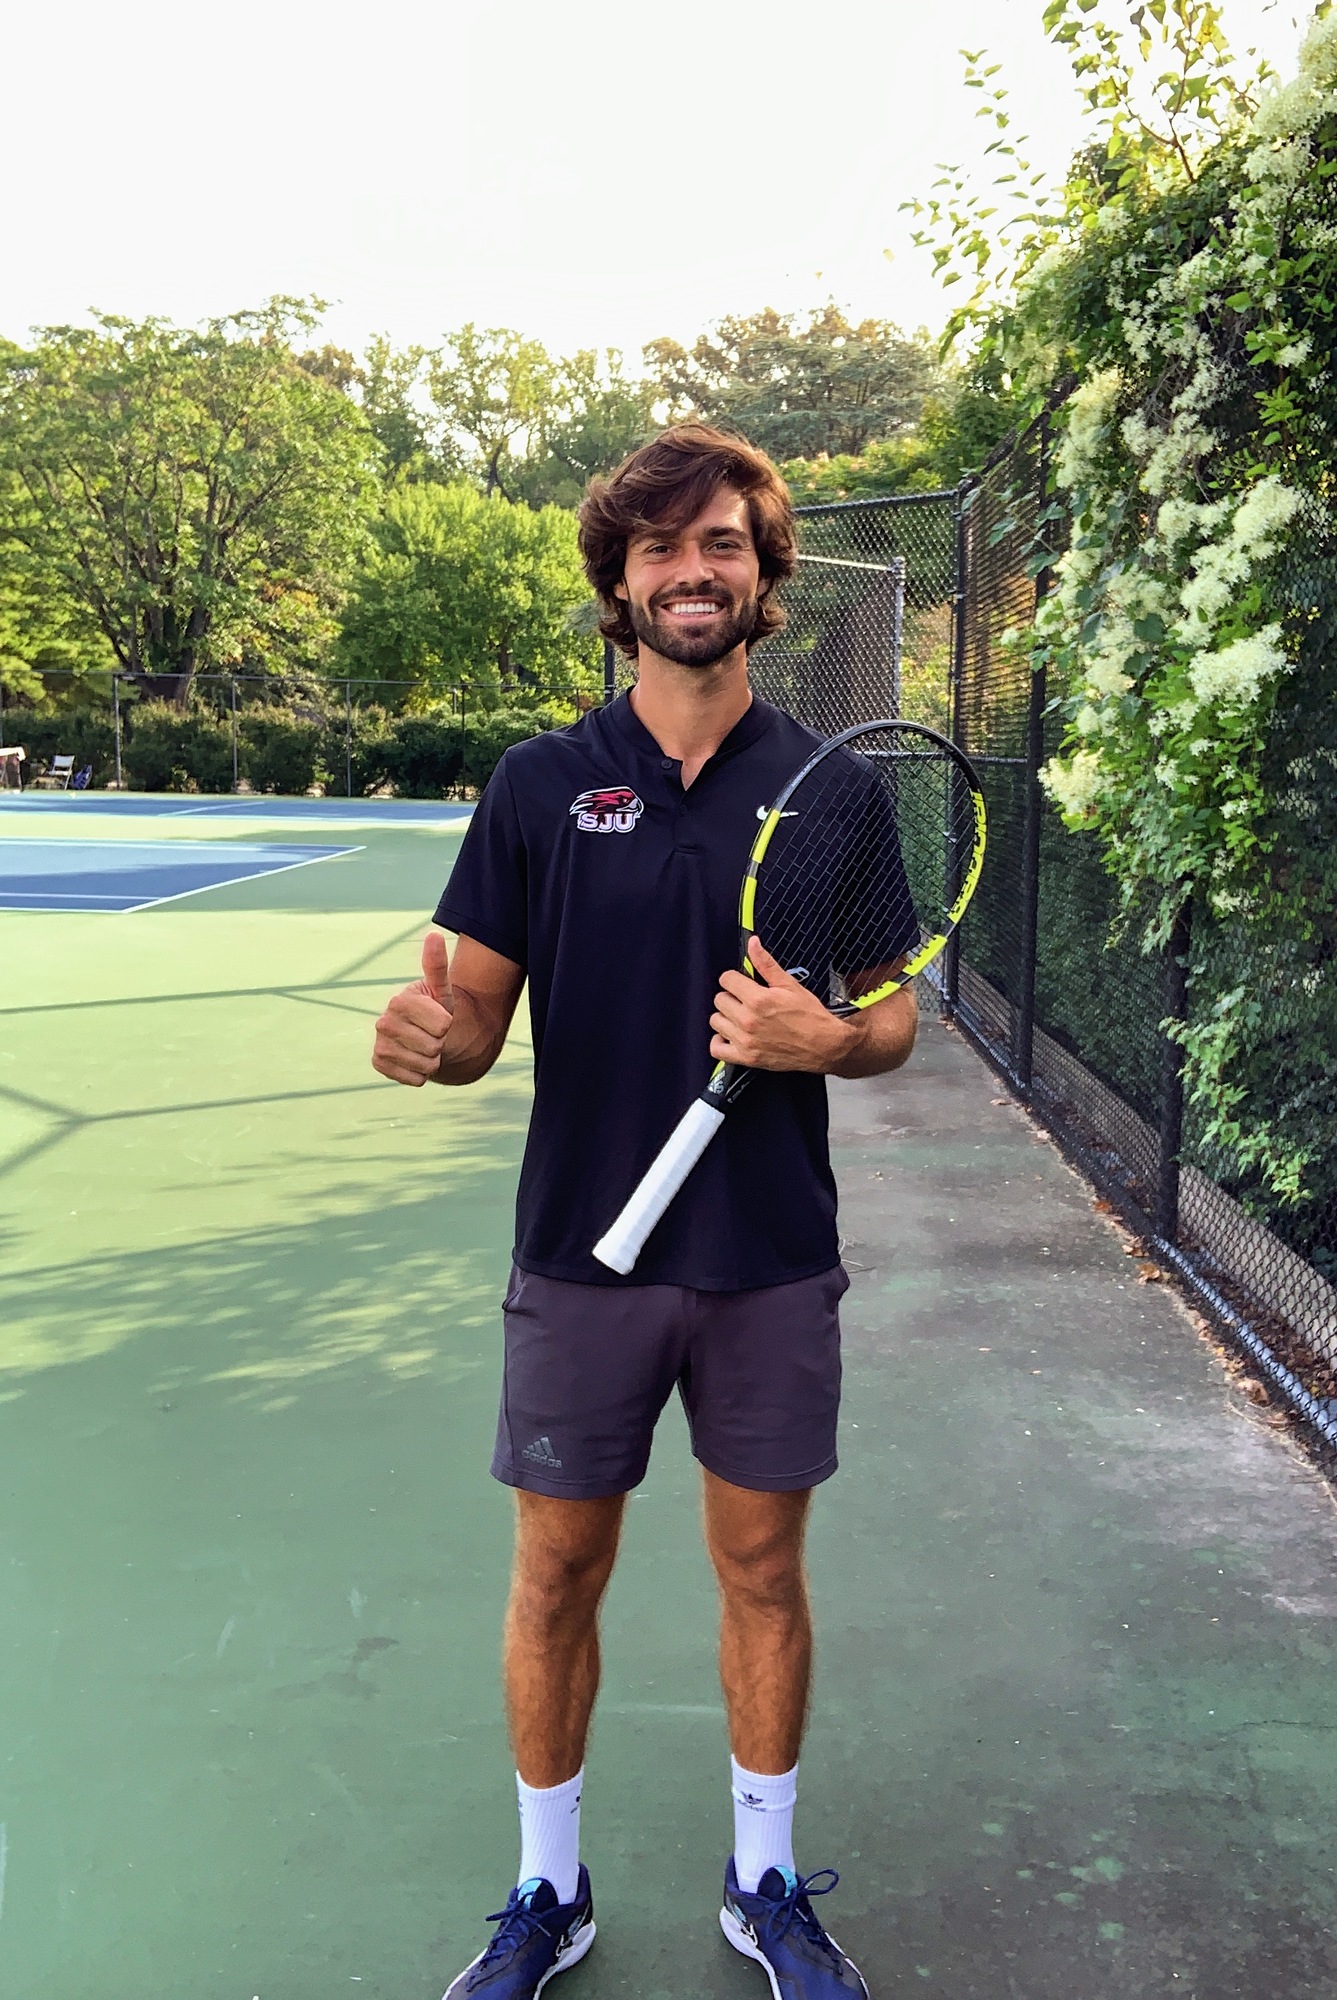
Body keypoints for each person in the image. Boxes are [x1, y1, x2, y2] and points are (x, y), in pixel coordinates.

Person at [372, 424, 917, 1999]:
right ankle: (551, 1894)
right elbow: (472, 1019)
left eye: (725, 545)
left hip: (765, 1262)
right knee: (556, 1576)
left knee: (762, 1571)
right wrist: (433, 1044)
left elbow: (887, 1018)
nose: (696, 572)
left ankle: (764, 1883)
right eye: (663, 550)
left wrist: (832, 1038)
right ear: (620, 583)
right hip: (581, 1263)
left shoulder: (831, 790)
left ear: (764, 575)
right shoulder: (541, 785)